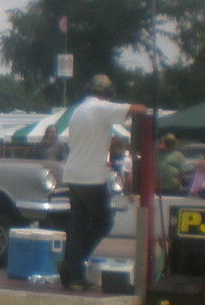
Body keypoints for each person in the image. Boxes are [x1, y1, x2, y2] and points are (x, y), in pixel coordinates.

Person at [59, 74, 145, 291]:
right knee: (103, 222)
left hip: (74, 174)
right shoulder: (101, 108)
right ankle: (72, 262)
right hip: (91, 177)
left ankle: (74, 274)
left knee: (78, 225)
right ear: (106, 93)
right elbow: (138, 109)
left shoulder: (78, 110)